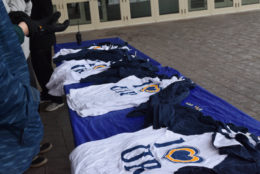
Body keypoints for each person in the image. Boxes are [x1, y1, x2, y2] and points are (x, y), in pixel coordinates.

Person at [0, 1, 68, 172]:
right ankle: (28, 149)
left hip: (21, 54)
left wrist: (23, 27)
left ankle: (31, 147)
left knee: (32, 91)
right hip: (8, 155)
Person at [30, 0, 69, 111]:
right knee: (39, 69)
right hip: (37, 38)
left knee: (45, 70)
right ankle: (47, 94)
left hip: (42, 40)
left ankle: (56, 99)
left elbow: (46, 21)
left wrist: (48, 28)